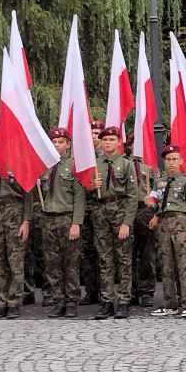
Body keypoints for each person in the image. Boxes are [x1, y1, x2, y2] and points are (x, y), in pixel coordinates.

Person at [86, 126, 138, 320]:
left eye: (111, 139)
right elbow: (84, 190)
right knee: (104, 257)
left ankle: (124, 300)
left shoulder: (126, 164)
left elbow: (133, 196)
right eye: (105, 140)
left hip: (120, 211)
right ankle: (107, 300)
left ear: (119, 142)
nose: (108, 143)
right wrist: (92, 187)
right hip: (100, 211)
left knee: (124, 258)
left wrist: (127, 222)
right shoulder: (95, 163)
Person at [40, 128, 86, 318]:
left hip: (67, 219)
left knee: (71, 263)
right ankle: (59, 301)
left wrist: (76, 223)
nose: (57, 145)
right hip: (48, 218)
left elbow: (79, 197)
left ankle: (72, 301)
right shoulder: (43, 165)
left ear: (68, 144)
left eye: (61, 142)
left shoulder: (74, 165)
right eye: (54, 142)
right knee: (52, 263)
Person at [0, 161, 36, 320]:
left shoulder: (19, 164)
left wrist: (26, 222)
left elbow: (28, 196)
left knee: (15, 260)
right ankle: (1, 302)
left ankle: (14, 302)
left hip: (15, 214)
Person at [149, 145, 186, 318]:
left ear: (181, 161)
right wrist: (151, 205)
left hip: (181, 223)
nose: (171, 162)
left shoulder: (185, 182)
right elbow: (157, 204)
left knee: (184, 264)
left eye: (174, 159)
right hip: (163, 223)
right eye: (168, 159)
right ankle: (170, 304)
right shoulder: (158, 181)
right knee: (166, 265)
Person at [78, 119, 104, 306]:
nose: (94, 138)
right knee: (87, 252)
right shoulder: (82, 158)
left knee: (105, 252)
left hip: (104, 211)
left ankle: (106, 290)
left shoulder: (109, 158)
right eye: (92, 134)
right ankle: (91, 290)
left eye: (97, 134)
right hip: (86, 210)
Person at [131, 141, 159, 308]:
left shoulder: (151, 166)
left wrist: (155, 214)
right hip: (128, 210)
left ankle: (147, 291)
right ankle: (132, 290)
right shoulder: (126, 165)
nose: (137, 146)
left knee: (147, 254)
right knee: (128, 254)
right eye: (134, 144)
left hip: (145, 210)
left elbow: (159, 191)